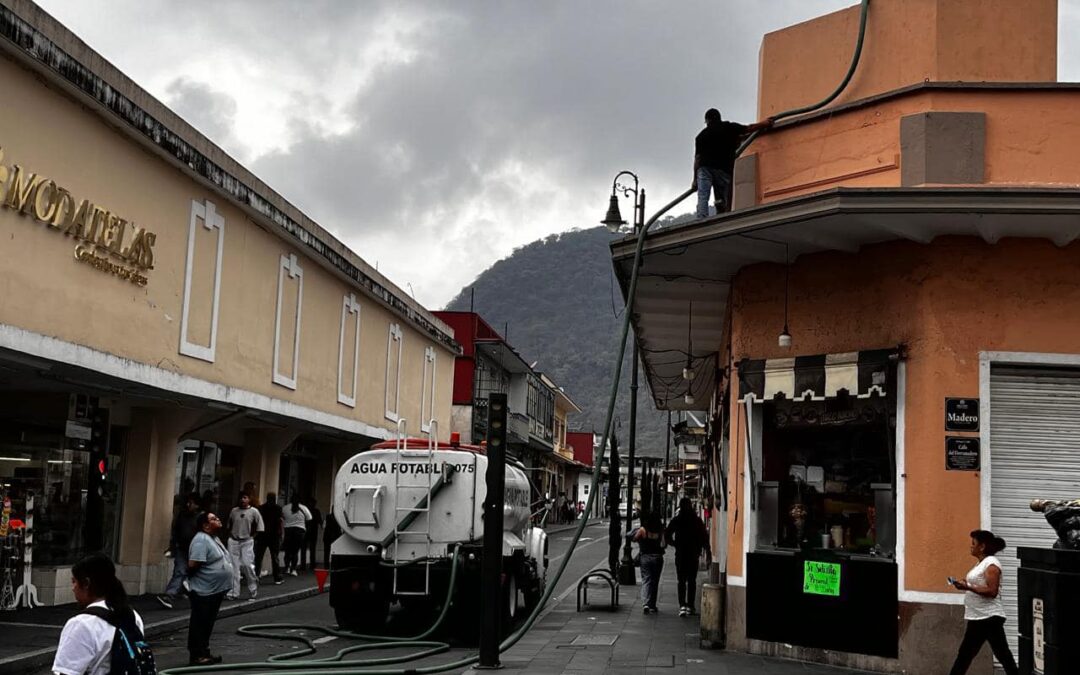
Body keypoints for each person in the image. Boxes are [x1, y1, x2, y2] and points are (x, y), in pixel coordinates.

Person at [52, 553, 145, 675]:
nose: (73, 588)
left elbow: (68, 672)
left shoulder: (81, 624)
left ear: (86, 583)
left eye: (74, 582)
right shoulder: (132, 616)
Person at [948, 530, 1019, 675]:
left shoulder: (991, 564)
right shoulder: (981, 564)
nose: (970, 547)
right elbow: (977, 584)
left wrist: (968, 586)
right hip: (978, 616)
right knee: (970, 654)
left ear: (982, 546)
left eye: (973, 543)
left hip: (988, 617)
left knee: (996, 654)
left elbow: (992, 591)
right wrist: (963, 584)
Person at [693, 108, 772, 218]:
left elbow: (697, 159)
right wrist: (764, 123)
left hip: (704, 168)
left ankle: (701, 218)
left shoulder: (701, 136)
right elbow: (749, 128)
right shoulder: (729, 127)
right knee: (721, 199)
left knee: (703, 196)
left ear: (707, 121)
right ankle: (721, 218)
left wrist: (694, 180)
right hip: (723, 169)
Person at [187, 511, 233, 666]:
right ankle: (197, 655)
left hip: (214, 590)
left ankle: (204, 652)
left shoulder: (213, 538)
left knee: (207, 623)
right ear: (205, 526)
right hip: (204, 590)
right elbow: (193, 565)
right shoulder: (201, 540)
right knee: (200, 623)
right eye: (213, 519)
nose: (218, 519)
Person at [666, 497, 712, 617]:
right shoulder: (696, 520)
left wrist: (675, 544)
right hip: (693, 554)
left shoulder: (677, 519)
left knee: (681, 580)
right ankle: (690, 606)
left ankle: (682, 605)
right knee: (692, 580)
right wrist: (707, 552)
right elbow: (704, 537)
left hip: (681, 554)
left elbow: (667, 534)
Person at [158, 493, 200, 609]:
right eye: (188, 502)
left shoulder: (200, 518)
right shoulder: (183, 516)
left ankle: (189, 592)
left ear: (196, 505)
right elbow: (176, 531)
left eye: (191, 503)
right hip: (183, 548)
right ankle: (170, 594)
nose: (188, 505)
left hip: (195, 550)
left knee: (194, 573)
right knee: (180, 571)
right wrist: (173, 545)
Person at [225, 491, 263, 601]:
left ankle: (253, 587)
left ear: (249, 499)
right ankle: (233, 592)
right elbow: (229, 524)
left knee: (247, 564)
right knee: (233, 567)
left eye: (245, 498)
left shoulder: (254, 512)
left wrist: (252, 537)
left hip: (247, 541)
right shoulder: (234, 511)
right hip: (234, 541)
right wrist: (231, 535)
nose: (242, 500)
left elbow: (259, 528)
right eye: (241, 498)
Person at [633, 511, 666, 614]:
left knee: (646, 580)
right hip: (657, 558)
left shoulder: (643, 530)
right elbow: (664, 544)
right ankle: (652, 605)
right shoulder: (660, 530)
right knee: (655, 581)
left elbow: (634, 538)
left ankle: (645, 603)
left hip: (645, 557)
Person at [255, 492, 284, 584]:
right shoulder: (278, 508)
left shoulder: (261, 508)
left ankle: (256, 575)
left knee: (258, 557)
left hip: (262, 535)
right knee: (275, 557)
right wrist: (281, 534)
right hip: (274, 536)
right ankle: (277, 577)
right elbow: (280, 522)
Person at [282, 492, 312, 576]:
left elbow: (282, 518)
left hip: (288, 530)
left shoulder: (285, 508)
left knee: (287, 551)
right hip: (299, 531)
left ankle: (287, 567)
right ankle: (293, 569)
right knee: (295, 551)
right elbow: (309, 518)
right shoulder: (304, 508)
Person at [301, 497, 323, 571]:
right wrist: (321, 525)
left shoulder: (306, 511)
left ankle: (303, 565)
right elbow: (320, 521)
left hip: (306, 531)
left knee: (304, 548)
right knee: (312, 548)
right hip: (312, 532)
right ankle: (312, 564)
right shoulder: (316, 511)